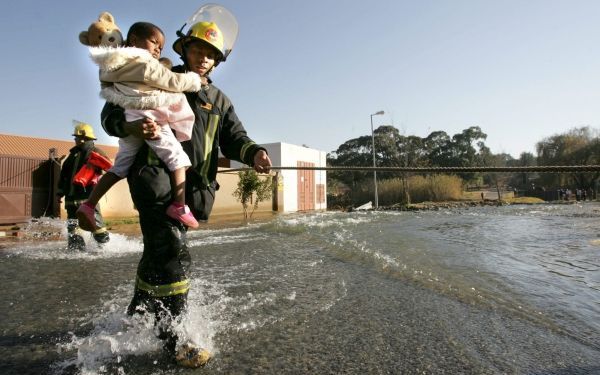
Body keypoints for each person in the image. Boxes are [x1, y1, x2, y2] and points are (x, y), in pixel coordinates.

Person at [100, 6, 272, 368]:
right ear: (183, 50)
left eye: (211, 55)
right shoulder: (157, 75)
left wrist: (253, 152)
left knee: (158, 251)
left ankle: (136, 313)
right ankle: (174, 338)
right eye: (198, 51)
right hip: (153, 177)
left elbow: (234, 137)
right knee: (174, 253)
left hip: (192, 191)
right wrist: (130, 127)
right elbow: (112, 109)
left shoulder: (220, 100)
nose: (204, 59)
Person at [77, 22, 205, 232]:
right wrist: (194, 80)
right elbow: (171, 80)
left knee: (119, 167)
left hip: (131, 114)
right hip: (150, 115)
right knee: (178, 158)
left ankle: (89, 205)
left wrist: (127, 126)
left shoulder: (111, 67)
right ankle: (180, 206)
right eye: (154, 42)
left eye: (160, 48)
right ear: (134, 40)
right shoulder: (143, 63)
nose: (157, 49)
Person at [56, 121, 111, 250]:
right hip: (71, 199)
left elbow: (109, 168)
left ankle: (104, 249)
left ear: (83, 138)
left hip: (88, 198)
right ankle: (76, 249)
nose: (75, 140)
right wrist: (60, 192)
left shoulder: (96, 152)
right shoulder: (72, 155)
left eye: (76, 137)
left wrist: (98, 168)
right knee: (73, 226)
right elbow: (64, 175)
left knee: (96, 224)